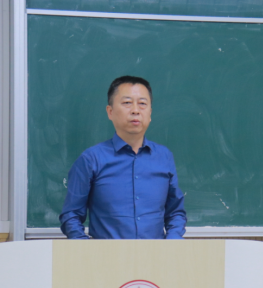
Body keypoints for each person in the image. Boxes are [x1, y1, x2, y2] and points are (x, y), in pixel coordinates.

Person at [59, 76, 187, 239]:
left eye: (142, 103)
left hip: (157, 254)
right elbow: (71, 216)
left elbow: (175, 213)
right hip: (106, 254)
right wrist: (86, 248)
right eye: (127, 103)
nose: (135, 110)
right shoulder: (91, 159)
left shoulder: (164, 157)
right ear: (110, 112)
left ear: (150, 113)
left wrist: (172, 243)